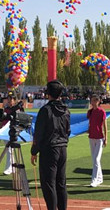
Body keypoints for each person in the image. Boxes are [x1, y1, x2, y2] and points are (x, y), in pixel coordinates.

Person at [31, 80, 70, 210]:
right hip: (63, 148)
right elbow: (68, 130)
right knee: (61, 183)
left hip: (49, 149)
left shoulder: (45, 110)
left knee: (49, 184)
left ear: (48, 93)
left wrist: (34, 151)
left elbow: (39, 134)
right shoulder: (66, 110)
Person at [87, 94, 108, 187]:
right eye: (92, 100)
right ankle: (100, 178)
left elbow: (105, 125)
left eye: (95, 100)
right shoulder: (90, 112)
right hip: (91, 137)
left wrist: (106, 138)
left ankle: (94, 179)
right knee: (94, 159)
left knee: (96, 159)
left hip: (99, 137)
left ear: (98, 101)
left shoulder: (102, 111)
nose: (93, 102)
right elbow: (89, 123)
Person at [0, 92, 20, 175]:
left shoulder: (17, 110)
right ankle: (12, 167)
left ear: (14, 101)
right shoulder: (6, 109)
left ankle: (9, 168)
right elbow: (2, 120)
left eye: (10, 99)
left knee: (9, 150)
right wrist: (0, 130)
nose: (9, 101)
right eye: (8, 99)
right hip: (5, 131)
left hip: (13, 130)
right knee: (9, 150)